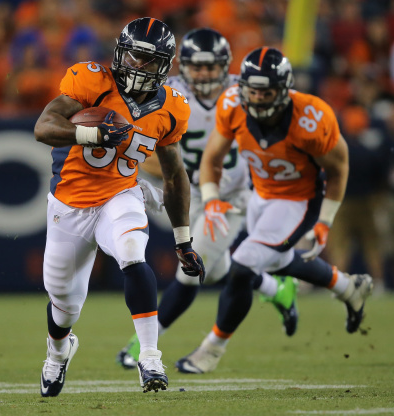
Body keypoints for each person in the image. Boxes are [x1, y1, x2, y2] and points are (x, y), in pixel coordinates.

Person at [33, 17, 204, 396]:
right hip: (69, 204)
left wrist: (183, 240)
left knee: (132, 252)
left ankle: (149, 357)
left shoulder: (173, 106)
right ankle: (58, 353)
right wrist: (90, 133)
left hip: (119, 194)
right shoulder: (91, 81)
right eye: (134, 57)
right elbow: (43, 126)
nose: (138, 66)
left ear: (164, 65)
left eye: (149, 60)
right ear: (120, 52)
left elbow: (175, 176)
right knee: (63, 304)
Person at [116, 29, 300, 373]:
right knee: (210, 269)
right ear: (181, 66)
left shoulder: (246, 90)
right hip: (192, 191)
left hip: (230, 196)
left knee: (189, 271)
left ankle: (142, 343)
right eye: (195, 67)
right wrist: (166, 169)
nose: (203, 74)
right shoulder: (166, 91)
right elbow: (145, 148)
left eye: (210, 66)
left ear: (225, 66)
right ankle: (277, 288)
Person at [190, 46, 374, 373]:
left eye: (267, 91)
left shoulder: (311, 118)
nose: (258, 98)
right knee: (279, 261)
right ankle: (349, 288)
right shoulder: (232, 104)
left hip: (298, 201)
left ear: (284, 90)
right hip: (259, 194)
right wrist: (210, 197)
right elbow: (212, 157)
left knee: (244, 265)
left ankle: (212, 349)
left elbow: (338, 168)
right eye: (253, 90)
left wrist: (325, 221)